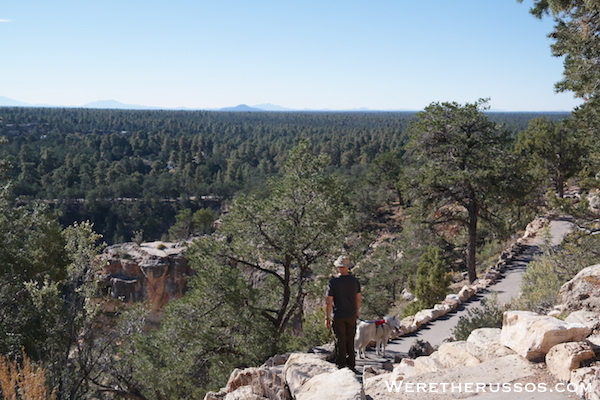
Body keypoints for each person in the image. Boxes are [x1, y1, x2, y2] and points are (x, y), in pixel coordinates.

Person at [325, 255, 361, 371]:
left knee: (340, 340)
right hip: (351, 315)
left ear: (338, 267)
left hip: (338, 315)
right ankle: (351, 364)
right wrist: (357, 312)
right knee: (350, 339)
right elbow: (358, 299)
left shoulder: (333, 282)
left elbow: (329, 301)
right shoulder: (355, 281)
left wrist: (327, 317)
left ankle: (341, 365)